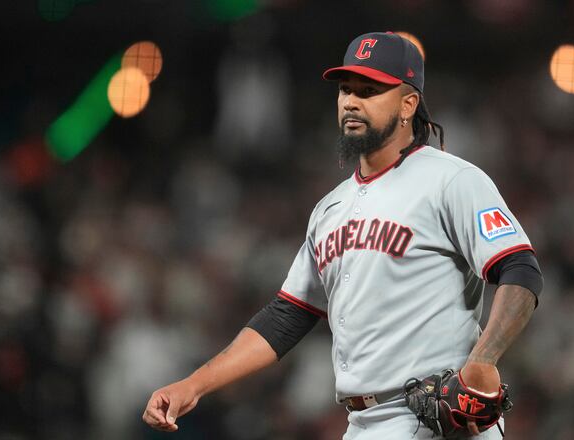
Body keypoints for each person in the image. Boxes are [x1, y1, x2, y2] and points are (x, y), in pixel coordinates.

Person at [142, 31, 542, 439]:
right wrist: (191, 385)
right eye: (346, 90)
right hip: (363, 424)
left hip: (440, 417)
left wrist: (484, 359)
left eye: (369, 90)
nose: (351, 101)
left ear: (408, 103)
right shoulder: (329, 210)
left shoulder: (451, 180)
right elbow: (287, 316)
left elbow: (520, 270)